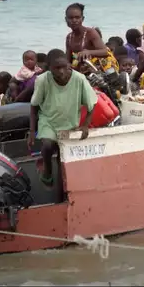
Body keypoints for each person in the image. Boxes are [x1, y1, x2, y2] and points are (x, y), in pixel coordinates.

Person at [29, 49, 98, 186]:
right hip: (48, 121)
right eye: (56, 68)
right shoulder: (42, 80)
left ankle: (63, 187)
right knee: (48, 145)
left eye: (64, 67)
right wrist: (32, 131)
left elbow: (92, 103)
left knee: (63, 157)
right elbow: (34, 106)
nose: (61, 71)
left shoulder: (79, 79)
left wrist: (85, 125)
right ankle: (47, 171)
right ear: (49, 68)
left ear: (69, 65)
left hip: (69, 123)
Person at [64, 3, 118, 74]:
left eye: (77, 17)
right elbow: (68, 60)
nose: (74, 20)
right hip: (83, 70)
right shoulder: (69, 37)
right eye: (71, 18)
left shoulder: (90, 32)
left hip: (100, 71)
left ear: (82, 19)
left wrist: (89, 52)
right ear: (66, 19)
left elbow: (105, 52)